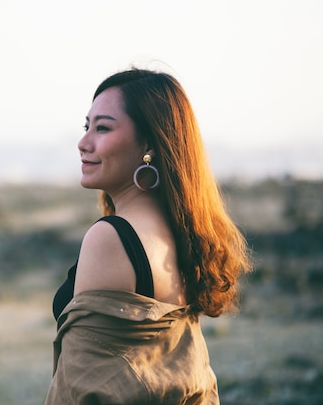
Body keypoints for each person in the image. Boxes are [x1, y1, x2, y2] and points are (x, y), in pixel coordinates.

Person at [45, 67, 252, 405]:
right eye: (87, 127)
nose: (83, 143)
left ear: (149, 144)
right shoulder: (186, 231)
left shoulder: (112, 238)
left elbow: (82, 387)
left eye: (103, 128)